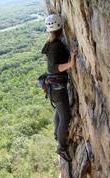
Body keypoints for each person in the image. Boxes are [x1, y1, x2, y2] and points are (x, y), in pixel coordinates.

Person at [41, 14, 77, 162]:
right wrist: (70, 64)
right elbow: (55, 67)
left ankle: (57, 134)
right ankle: (61, 147)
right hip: (58, 89)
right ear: (61, 27)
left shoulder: (51, 42)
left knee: (59, 111)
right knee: (65, 117)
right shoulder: (55, 46)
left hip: (53, 87)